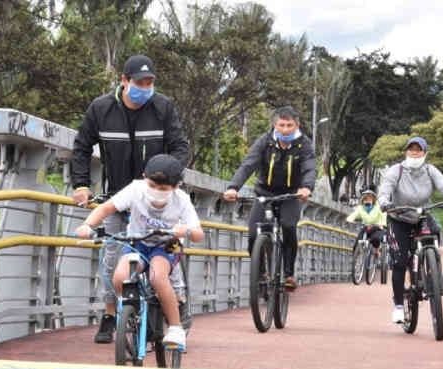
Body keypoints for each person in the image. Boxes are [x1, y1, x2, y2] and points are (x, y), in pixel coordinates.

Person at [70, 54, 190, 344]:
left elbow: (179, 147)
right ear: (124, 81)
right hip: (119, 196)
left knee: (166, 259)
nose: (145, 87)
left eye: (150, 83)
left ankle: (177, 307)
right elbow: (82, 147)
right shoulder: (101, 109)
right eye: (139, 82)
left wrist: (168, 183)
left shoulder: (162, 107)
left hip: (156, 200)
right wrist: (82, 185)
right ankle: (112, 315)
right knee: (113, 260)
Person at [75, 154, 203, 351]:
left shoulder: (182, 200)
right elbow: (105, 209)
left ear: (175, 187)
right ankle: (133, 314)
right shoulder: (135, 189)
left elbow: (198, 234)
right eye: (152, 185)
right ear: (144, 178)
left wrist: (185, 230)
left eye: (163, 189)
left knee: (157, 277)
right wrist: (87, 226)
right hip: (137, 242)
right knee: (119, 277)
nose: (156, 192)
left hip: (167, 245)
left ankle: (176, 328)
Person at [222, 106, 315, 291]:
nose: (285, 129)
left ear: (297, 125)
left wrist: (306, 187)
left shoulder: (304, 144)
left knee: (288, 226)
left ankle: (289, 274)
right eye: (281, 125)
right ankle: (262, 273)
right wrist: (233, 187)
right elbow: (248, 164)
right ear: (275, 125)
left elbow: (309, 167)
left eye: (290, 125)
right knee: (253, 233)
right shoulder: (265, 141)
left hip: (291, 194)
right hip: (265, 194)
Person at [378, 136, 443, 324]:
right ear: (406, 152)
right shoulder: (396, 171)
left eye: (418, 150)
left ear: (425, 153)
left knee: (434, 235)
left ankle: (434, 269)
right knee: (400, 262)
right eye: (411, 149)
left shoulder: (430, 170)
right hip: (398, 217)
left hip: (422, 216)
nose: (414, 153)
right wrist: (384, 202)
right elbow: (385, 188)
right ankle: (399, 306)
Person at [346, 188, 386, 256]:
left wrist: (381, 224)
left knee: (375, 239)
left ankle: (377, 251)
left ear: (373, 200)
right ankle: (356, 258)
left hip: (377, 228)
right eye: (365, 199)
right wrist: (349, 220)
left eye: (369, 199)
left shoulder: (378, 208)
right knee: (358, 242)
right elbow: (353, 215)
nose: (367, 201)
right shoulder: (360, 208)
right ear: (363, 200)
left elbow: (383, 215)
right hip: (366, 227)